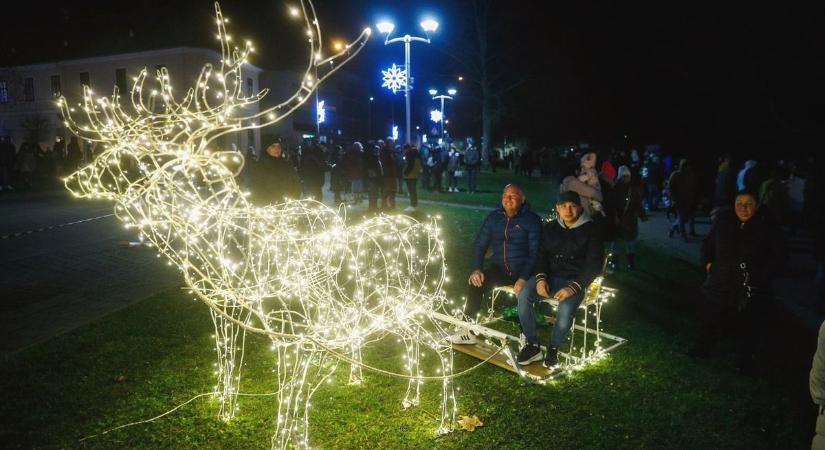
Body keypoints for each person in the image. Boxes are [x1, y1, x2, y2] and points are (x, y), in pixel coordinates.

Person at [689, 190, 786, 373]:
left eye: (748, 203)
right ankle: (702, 348)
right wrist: (708, 264)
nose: (743, 208)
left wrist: (760, 277)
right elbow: (708, 245)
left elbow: (777, 258)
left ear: (756, 206)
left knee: (748, 326)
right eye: (739, 203)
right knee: (711, 317)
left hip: (748, 287)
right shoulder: (724, 223)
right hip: (719, 282)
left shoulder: (766, 229)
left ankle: (744, 360)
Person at [515, 190, 603, 367]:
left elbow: (593, 265)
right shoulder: (550, 228)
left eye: (572, 206)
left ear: (579, 208)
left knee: (565, 311)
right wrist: (540, 279)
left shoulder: (591, 230)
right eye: (564, 206)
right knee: (523, 294)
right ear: (557, 208)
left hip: (574, 281)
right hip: (550, 277)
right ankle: (532, 345)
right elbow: (542, 256)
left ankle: (553, 348)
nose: (568, 210)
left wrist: (572, 288)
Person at [449, 184, 542, 344]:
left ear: (523, 199)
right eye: (505, 195)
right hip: (501, 270)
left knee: (524, 296)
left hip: (525, 272)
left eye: (513, 195)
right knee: (476, 283)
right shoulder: (494, 218)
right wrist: (476, 269)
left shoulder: (532, 220)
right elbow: (480, 244)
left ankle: (528, 340)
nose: (508, 199)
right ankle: (468, 330)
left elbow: (535, 253)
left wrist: (523, 278)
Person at [610, 166, 647, 269]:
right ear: (620, 177)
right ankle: (614, 262)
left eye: (627, 176)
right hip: (618, 219)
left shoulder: (633, 190)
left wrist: (642, 215)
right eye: (624, 176)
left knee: (630, 242)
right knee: (616, 242)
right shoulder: (615, 189)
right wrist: (614, 216)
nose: (626, 178)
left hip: (630, 220)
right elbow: (611, 204)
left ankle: (631, 263)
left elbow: (637, 203)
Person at [667, 158, 696, 241]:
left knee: (682, 218)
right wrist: (673, 199)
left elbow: (692, 187)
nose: (688, 168)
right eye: (686, 166)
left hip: (687, 200)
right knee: (681, 217)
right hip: (678, 200)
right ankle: (684, 236)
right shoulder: (675, 175)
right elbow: (670, 187)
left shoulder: (690, 175)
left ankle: (672, 229)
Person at [402, 144, 422, 212]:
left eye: (404, 149)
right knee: (413, 191)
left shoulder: (410, 154)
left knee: (411, 191)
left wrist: (405, 172)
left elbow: (410, 165)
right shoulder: (416, 154)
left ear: (406, 149)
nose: (404, 151)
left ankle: (412, 205)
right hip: (415, 175)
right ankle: (414, 205)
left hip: (410, 175)